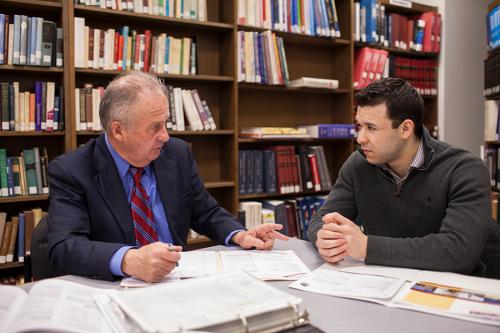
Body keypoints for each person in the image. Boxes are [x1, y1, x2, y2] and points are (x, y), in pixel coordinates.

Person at [47, 72, 288, 282]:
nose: (165, 136)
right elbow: (64, 248)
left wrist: (241, 235)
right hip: (113, 290)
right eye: (154, 127)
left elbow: (204, 211)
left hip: (175, 281)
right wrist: (128, 260)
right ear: (118, 130)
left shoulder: (177, 152)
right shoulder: (72, 171)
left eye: (165, 123)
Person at [307, 77, 500, 278]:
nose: (360, 138)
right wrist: (324, 237)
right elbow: (321, 218)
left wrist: (367, 247)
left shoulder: (464, 169)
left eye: (371, 128)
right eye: (359, 126)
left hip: (458, 289)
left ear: (405, 129)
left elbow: (458, 252)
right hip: (390, 282)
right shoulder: (359, 164)